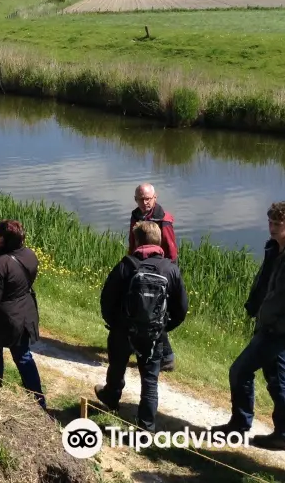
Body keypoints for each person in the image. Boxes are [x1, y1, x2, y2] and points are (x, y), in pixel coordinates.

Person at [95, 221, 188, 433]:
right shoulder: (170, 269)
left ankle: (111, 397)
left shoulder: (127, 264)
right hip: (153, 334)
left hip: (122, 330)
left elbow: (107, 297)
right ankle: (146, 427)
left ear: (137, 240)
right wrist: (164, 326)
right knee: (150, 378)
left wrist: (114, 322)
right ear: (159, 241)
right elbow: (181, 308)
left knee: (117, 366)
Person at [212, 202, 285, 450]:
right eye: (271, 223)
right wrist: (255, 308)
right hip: (269, 325)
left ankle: (240, 426)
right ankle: (280, 433)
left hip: (277, 331)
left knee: (241, 371)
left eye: (278, 224)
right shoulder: (273, 249)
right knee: (277, 381)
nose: (273, 228)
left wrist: (273, 324)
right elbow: (267, 285)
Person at [0, 219, 45, 409]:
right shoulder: (30, 255)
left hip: (4, 319)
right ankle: (39, 401)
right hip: (26, 313)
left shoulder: (0, 264)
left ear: (5, 240)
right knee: (24, 357)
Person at [129, 183, 178, 371]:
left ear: (155, 198)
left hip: (159, 273)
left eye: (148, 199)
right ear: (136, 199)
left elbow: (171, 252)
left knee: (156, 314)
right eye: (141, 199)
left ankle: (167, 356)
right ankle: (142, 347)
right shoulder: (135, 216)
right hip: (140, 270)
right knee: (140, 310)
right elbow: (132, 243)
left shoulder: (163, 220)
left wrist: (169, 276)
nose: (145, 202)